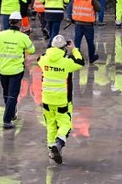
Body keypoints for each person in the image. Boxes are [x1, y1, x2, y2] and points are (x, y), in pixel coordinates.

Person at [38, 35, 85, 164]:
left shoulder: (44, 59)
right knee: (65, 124)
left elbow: (39, 58)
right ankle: (58, 143)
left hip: (47, 100)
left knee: (50, 125)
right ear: (64, 48)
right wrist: (74, 49)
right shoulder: (67, 61)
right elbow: (81, 62)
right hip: (62, 100)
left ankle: (51, 150)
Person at [0, 11, 36, 128]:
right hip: (16, 71)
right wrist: (27, 37)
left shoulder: (0, 35)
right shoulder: (23, 37)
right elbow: (32, 50)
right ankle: (7, 120)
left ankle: (11, 113)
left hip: (3, 71)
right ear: (19, 23)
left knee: (6, 94)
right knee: (13, 95)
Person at [70, 0, 100, 64]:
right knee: (90, 42)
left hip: (78, 23)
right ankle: (91, 58)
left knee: (77, 42)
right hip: (88, 24)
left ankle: (76, 58)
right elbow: (99, 8)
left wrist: (71, 18)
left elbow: (72, 6)